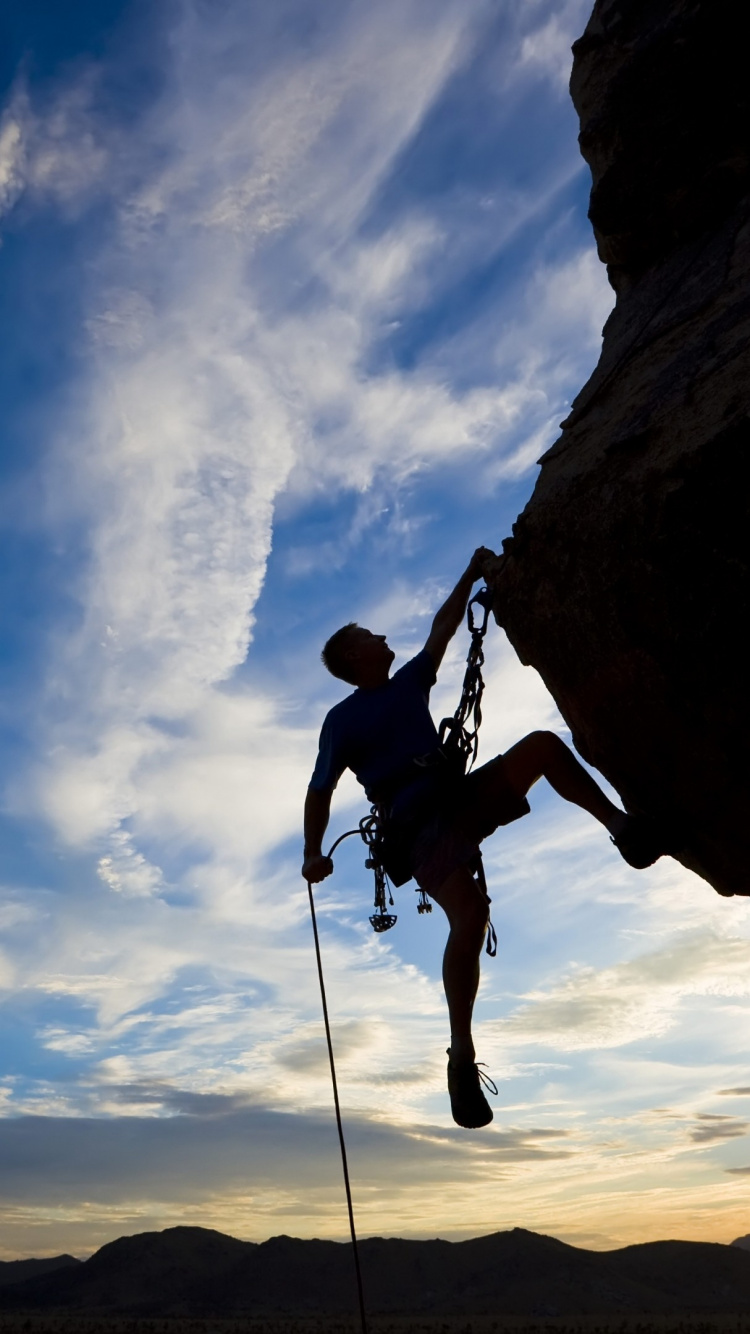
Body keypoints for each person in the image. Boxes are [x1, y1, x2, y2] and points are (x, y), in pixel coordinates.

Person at [302, 548, 669, 1129]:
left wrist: (470, 575)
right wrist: (311, 852)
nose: (382, 634)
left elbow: (442, 632)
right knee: (470, 913)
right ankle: (462, 1055)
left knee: (543, 747)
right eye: (370, 634)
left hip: (455, 798)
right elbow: (320, 789)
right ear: (354, 655)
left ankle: (624, 831)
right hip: (418, 828)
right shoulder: (342, 721)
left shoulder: (405, 685)